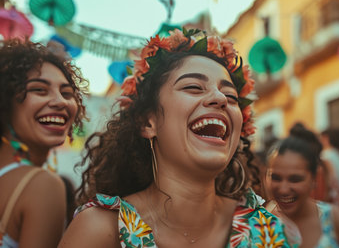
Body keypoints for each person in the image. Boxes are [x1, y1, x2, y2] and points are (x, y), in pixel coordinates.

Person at [59, 29, 299, 247]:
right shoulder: (100, 229)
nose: (221, 98)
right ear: (147, 122)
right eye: (193, 87)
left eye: (231, 96)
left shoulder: (269, 229)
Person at [0, 39, 87, 247]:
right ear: (4, 101)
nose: (60, 102)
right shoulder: (43, 185)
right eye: (39, 90)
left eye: (67, 93)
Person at [266, 131, 339, 248]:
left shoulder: (338, 222)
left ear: (314, 179)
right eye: (275, 178)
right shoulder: (258, 225)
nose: (283, 189)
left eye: (295, 179)